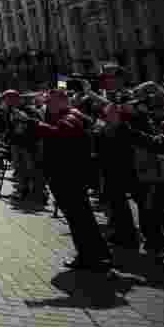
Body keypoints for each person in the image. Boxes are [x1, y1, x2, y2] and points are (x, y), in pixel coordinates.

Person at [32, 89, 112, 271]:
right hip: (65, 174)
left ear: (62, 101)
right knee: (79, 216)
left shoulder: (71, 116)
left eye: (50, 102)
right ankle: (94, 254)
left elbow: (61, 134)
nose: (47, 106)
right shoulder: (64, 115)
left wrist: (37, 125)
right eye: (47, 102)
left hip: (69, 175)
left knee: (79, 217)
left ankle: (91, 256)